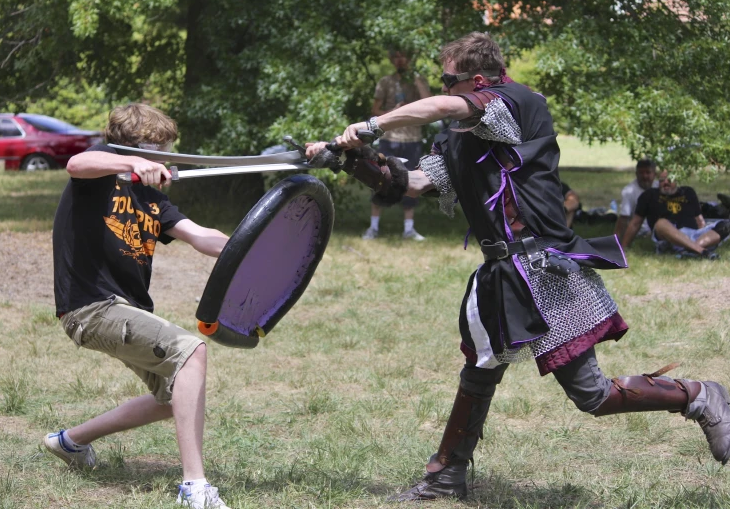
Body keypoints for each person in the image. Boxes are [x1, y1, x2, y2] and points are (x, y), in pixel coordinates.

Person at [306, 32, 730, 501]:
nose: (442, 89)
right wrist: (347, 159)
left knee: (591, 394)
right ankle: (445, 475)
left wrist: (371, 125)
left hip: (545, 270)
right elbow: (416, 181)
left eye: (449, 80)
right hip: (502, 273)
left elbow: (441, 109)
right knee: (480, 370)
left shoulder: (514, 105)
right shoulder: (459, 136)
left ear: (478, 80)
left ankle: (697, 395)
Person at [47, 104, 231, 509]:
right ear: (132, 148)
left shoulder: (151, 199)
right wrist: (129, 161)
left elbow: (201, 237)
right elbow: (78, 162)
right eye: (159, 150)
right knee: (191, 350)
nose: (165, 159)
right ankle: (194, 488)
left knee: (176, 397)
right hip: (90, 307)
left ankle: (71, 441)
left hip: (124, 310)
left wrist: (250, 247)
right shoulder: (98, 176)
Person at [362, 49, 432, 241]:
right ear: (392, 59)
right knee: (381, 180)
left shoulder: (419, 80)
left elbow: (429, 102)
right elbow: (375, 110)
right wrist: (392, 111)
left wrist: (416, 78)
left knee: (411, 181)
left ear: (409, 58)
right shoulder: (386, 82)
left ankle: (409, 229)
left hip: (412, 139)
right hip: (389, 139)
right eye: (397, 56)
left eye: (404, 56)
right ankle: (373, 228)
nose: (401, 60)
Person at [622, 170, 730, 258]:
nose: (665, 182)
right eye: (661, 180)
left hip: (693, 234)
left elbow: (699, 220)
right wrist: (623, 248)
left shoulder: (688, 192)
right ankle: (701, 251)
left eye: (670, 179)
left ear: (677, 180)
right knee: (661, 223)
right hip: (667, 238)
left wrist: (705, 233)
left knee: (726, 224)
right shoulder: (649, 195)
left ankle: (690, 250)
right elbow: (635, 223)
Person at [613, 157, 658, 240]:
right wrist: (616, 240)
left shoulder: (659, 188)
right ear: (636, 174)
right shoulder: (629, 191)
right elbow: (623, 218)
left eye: (648, 173)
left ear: (655, 174)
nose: (645, 176)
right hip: (640, 232)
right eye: (641, 173)